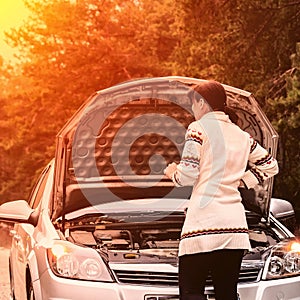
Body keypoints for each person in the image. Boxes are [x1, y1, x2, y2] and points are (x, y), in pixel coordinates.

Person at [164, 80, 279, 300]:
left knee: (191, 293)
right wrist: (240, 181)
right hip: (234, 227)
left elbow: (187, 175)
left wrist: (172, 172)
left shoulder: (198, 129)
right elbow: (270, 165)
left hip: (202, 226)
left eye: (193, 104)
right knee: (226, 294)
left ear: (201, 103)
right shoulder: (242, 136)